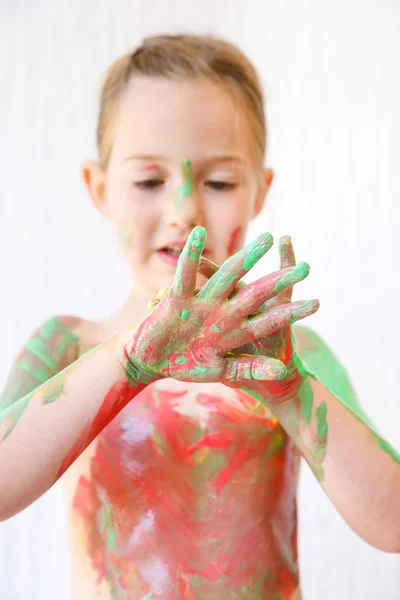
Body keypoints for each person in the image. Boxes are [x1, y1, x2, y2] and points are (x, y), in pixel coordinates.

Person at [0, 33, 399, 600]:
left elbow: (392, 524)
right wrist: (129, 361)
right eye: (147, 181)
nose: (183, 208)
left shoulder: (290, 355)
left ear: (260, 190)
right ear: (99, 188)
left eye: (218, 182)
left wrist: (290, 391)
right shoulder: (70, 345)